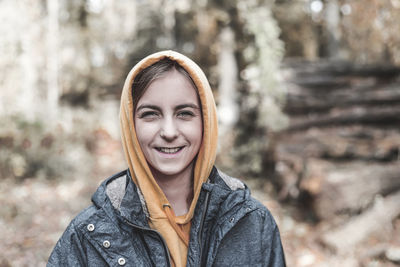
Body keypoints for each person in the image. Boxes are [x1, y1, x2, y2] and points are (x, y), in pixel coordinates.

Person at [48, 50, 286, 266]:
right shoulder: (87, 237)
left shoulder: (253, 223)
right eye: (150, 114)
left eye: (184, 113)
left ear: (206, 121)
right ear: (130, 125)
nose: (169, 132)